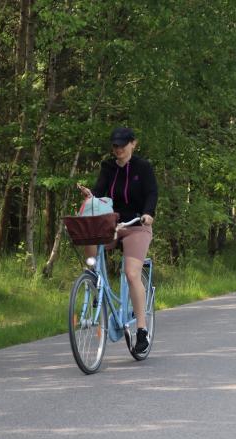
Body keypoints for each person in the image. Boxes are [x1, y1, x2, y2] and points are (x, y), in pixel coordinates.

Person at [77, 126, 157, 353]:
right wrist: (91, 196)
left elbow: (152, 193)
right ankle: (94, 279)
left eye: (122, 144)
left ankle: (141, 330)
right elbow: (100, 193)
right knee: (89, 236)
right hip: (112, 225)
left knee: (131, 274)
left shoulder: (143, 167)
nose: (118, 149)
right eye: (115, 145)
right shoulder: (108, 168)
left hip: (136, 225)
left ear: (133, 144)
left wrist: (148, 213)